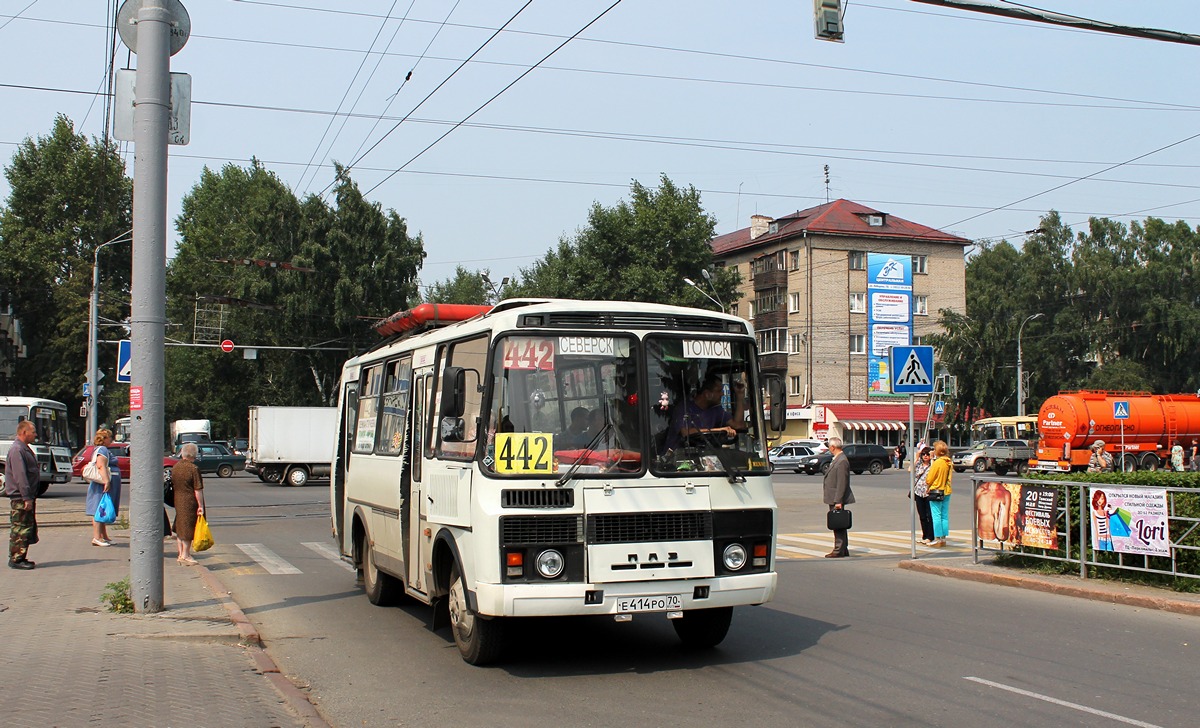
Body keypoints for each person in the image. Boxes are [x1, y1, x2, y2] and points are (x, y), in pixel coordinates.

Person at [664, 373, 745, 451]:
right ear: (707, 394)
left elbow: (737, 425)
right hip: (678, 457)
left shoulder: (716, 409)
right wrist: (720, 430)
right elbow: (686, 432)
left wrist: (740, 395)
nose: (722, 394)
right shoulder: (684, 408)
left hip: (705, 455)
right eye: (719, 391)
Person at [5, 420, 40, 569]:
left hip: (25, 496)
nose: (35, 435)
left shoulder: (24, 448)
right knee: (20, 528)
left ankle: (21, 556)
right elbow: (21, 476)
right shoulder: (17, 450)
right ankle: (16, 559)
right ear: (24, 432)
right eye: (33, 432)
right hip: (20, 497)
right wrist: (26, 497)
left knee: (26, 527)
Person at [84, 429, 122, 547]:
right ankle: (97, 537)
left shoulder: (102, 449)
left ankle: (104, 536)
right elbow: (101, 466)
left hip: (105, 483)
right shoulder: (102, 450)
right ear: (104, 439)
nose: (111, 439)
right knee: (99, 509)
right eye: (109, 437)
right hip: (101, 484)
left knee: (104, 508)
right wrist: (106, 482)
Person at [171, 442, 206, 565]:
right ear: (193, 455)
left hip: (178, 499)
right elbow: (198, 489)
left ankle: (180, 553)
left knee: (180, 526)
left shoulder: (176, 467)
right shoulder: (193, 468)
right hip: (190, 501)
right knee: (188, 528)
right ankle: (186, 554)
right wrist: (200, 505)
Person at [822, 437, 854, 558]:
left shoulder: (842, 461)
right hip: (834, 497)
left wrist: (838, 501)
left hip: (836, 498)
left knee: (838, 523)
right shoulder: (838, 459)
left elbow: (842, 482)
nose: (829, 449)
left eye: (829, 447)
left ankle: (838, 549)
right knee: (840, 523)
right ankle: (843, 549)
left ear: (833, 447)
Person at [924, 440, 953, 547]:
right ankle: (943, 538)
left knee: (936, 515)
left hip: (936, 490)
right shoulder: (949, 462)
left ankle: (937, 538)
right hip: (947, 490)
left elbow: (929, 478)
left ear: (938, 451)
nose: (933, 451)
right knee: (944, 515)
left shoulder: (938, 462)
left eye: (934, 449)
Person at [911, 446, 935, 545]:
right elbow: (910, 470)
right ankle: (924, 535)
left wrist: (933, 458)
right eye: (923, 454)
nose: (925, 456)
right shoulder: (919, 464)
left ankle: (930, 536)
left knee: (929, 515)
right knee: (922, 516)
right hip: (918, 492)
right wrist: (916, 458)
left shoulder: (932, 465)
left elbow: (934, 472)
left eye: (927, 454)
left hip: (928, 493)